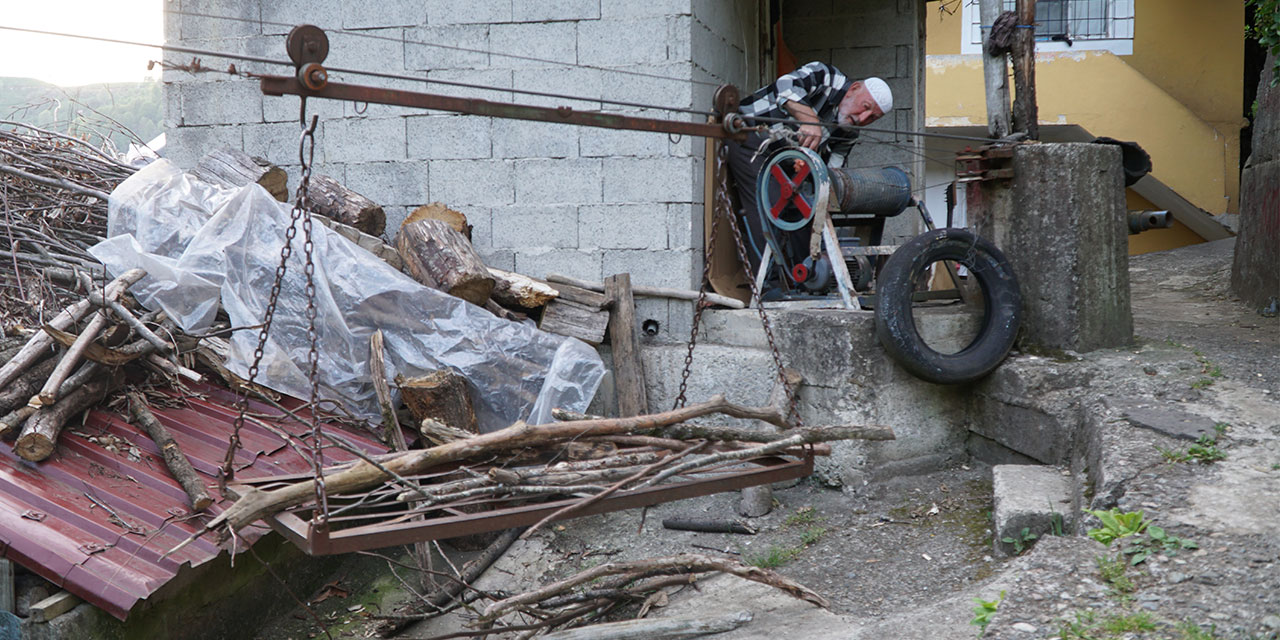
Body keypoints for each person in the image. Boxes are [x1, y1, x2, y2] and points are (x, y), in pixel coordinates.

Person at [726, 62, 893, 277]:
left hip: (782, 163)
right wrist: (810, 121)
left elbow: (831, 172)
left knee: (805, 208)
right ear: (854, 90)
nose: (862, 119)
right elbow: (785, 85)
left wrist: (812, 172)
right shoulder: (826, 76)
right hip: (748, 135)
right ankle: (766, 283)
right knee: (770, 199)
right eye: (866, 107)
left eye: (872, 118)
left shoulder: (849, 133)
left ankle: (804, 278)